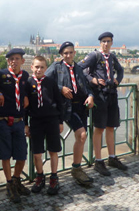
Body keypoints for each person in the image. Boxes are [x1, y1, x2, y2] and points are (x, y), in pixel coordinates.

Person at [45, 41, 94, 186]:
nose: (68, 55)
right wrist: (61, 88)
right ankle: (76, 169)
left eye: (71, 52)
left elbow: (87, 87)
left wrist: (91, 96)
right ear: (61, 54)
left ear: (74, 53)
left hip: (81, 107)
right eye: (65, 53)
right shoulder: (56, 67)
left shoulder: (78, 68)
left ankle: (76, 168)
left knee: (81, 137)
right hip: (66, 107)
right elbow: (45, 81)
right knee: (82, 134)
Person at [78, 32, 127, 176]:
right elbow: (80, 69)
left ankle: (112, 158)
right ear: (100, 43)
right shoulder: (94, 56)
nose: (106, 44)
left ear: (112, 43)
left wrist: (119, 80)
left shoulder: (112, 57)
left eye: (108, 41)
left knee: (111, 127)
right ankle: (98, 161)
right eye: (104, 41)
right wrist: (92, 80)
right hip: (99, 95)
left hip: (112, 93)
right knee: (99, 128)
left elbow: (121, 70)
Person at [0, 48, 31, 203]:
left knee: (22, 155)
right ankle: (9, 185)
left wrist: (26, 95)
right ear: (8, 61)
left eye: (17, 58)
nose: (14, 61)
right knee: (6, 154)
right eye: (11, 59)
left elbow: (25, 89)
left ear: (22, 61)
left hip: (19, 121)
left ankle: (16, 180)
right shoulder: (1, 75)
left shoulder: (24, 75)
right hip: (3, 120)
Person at [24, 56, 64, 195]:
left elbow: (59, 102)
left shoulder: (51, 82)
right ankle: (40, 176)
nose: (39, 69)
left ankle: (54, 177)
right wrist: (25, 124)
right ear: (32, 67)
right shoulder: (28, 84)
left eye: (42, 67)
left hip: (52, 120)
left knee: (53, 150)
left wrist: (60, 121)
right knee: (37, 153)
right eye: (36, 67)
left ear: (46, 68)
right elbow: (25, 106)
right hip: (36, 121)